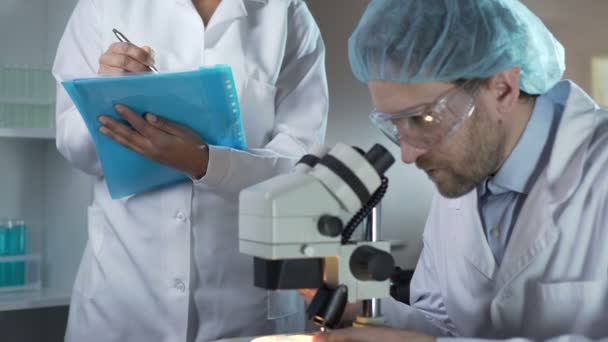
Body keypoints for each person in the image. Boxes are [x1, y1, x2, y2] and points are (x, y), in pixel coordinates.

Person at [314, 0, 608, 341]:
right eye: (395, 127)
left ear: (503, 89)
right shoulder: (463, 175)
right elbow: (445, 327)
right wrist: (358, 305)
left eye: (423, 118)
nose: (408, 155)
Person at [52, 0, 328, 341]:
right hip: (122, 300)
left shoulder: (284, 12)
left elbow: (302, 166)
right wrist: (103, 92)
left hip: (246, 306)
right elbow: (73, 148)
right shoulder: (103, 6)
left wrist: (206, 162)